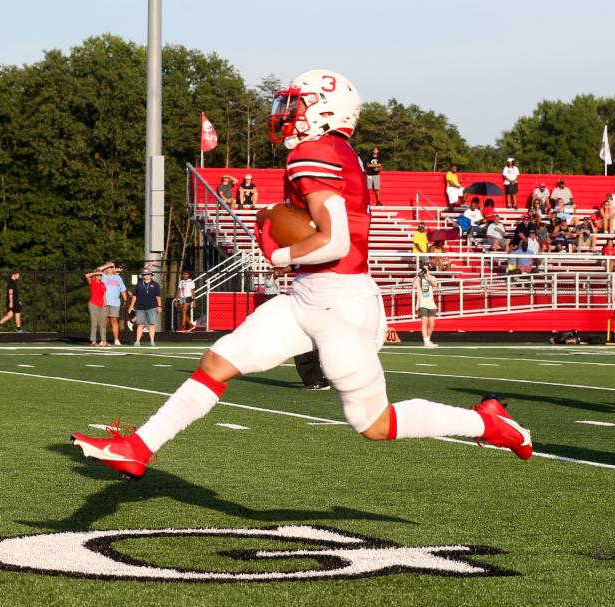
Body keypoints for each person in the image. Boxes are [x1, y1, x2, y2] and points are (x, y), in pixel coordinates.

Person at [71, 68, 532, 481]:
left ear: (324, 111)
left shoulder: (317, 151)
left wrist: (278, 253)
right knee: (218, 361)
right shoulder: (330, 150)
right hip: (308, 298)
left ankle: (487, 423)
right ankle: (139, 448)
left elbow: (334, 242)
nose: (287, 113)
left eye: (297, 104)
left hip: (342, 307)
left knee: (374, 424)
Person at [128, 269, 162, 347]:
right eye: (145, 275)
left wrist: (159, 306)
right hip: (140, 308)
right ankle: (137, 341)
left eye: (148, 274)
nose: (146, 276)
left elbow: (158, 297)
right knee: (140, 324)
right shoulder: (139, 284)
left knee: (151, 325)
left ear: (151, 275)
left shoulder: (155, 284)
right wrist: (131, 306)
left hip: (152, 307)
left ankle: (152, 342)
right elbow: (134, 296)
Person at [100, 262, 127, 346]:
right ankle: (103, 340)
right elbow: (97, 270)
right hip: (104, 302)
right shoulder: (102, 276)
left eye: (111, 267)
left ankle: (116, 339)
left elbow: (122, 289)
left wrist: (125, 300)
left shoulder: (118, 277)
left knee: (114, 320)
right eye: (108, 267)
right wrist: (107, 265)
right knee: (104, 321)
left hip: (115, 303)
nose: (110, 269)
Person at [413, 263, 439, 347]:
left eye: (427, 269)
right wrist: (418, 275)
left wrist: (428, 275)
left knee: (432, 323)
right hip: (422, 303)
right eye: (424, 269)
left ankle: (427, 340)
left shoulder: (432, 277)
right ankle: (426, 341)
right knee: (424, 321)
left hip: (431, 304)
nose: (425, 270)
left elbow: (435, 285)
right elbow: (413, 286)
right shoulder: (418, 278)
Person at [85, 267, 108, 346]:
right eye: (98, 275)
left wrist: (105, 305)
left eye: (101, 275)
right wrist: (95, 273)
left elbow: (104, 295)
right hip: (93, 304)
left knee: (102, 323)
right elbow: (87, 275)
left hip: (101, 305)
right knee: (94, 323)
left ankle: (104, 341)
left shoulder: (102, 284)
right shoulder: (92, 282)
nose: (100, 276)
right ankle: (93, 341)